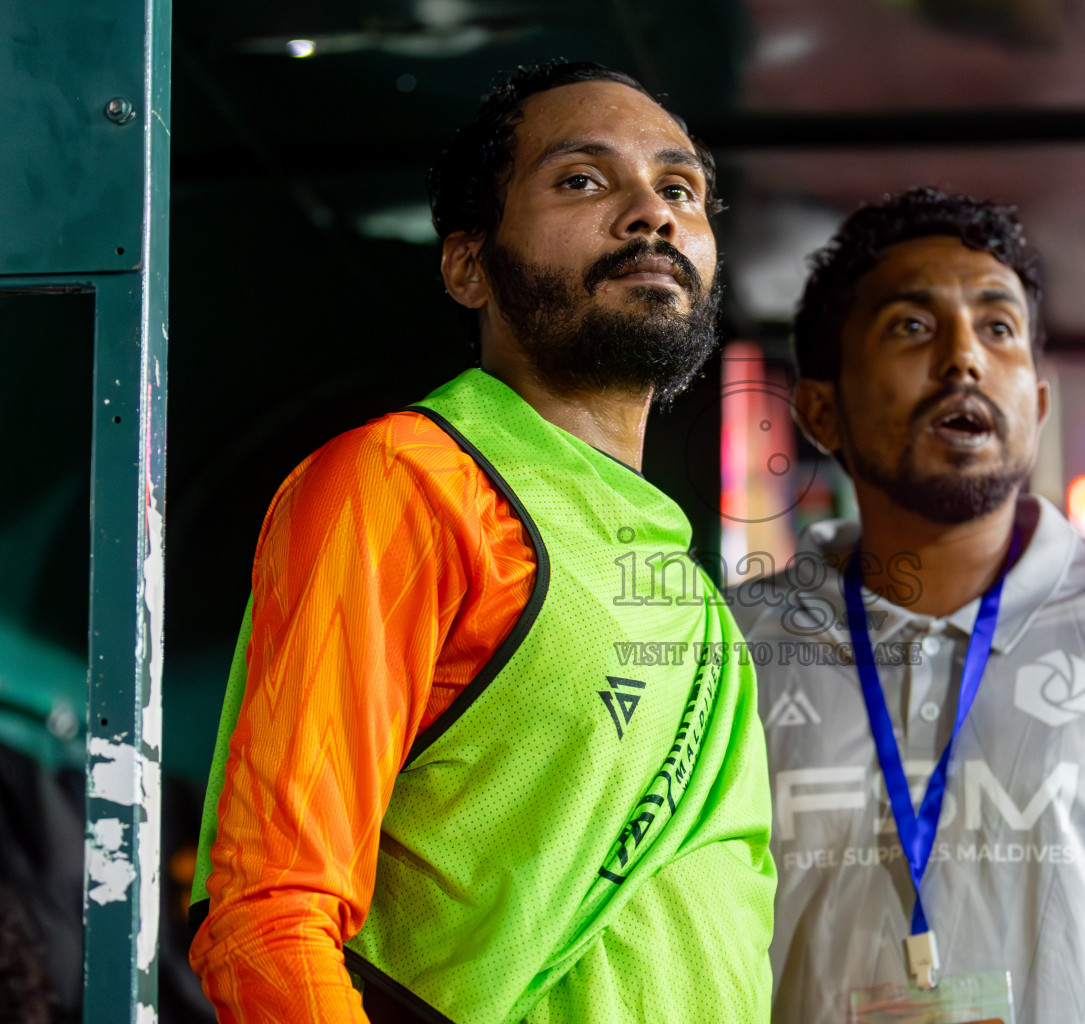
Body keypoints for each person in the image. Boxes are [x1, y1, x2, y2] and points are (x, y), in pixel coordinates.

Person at [187, 61, 775, 1024]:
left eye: (680, 190)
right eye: (583, 180)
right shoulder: (406, 485)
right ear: (469, 265)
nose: (652, 214)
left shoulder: (683, 581)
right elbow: (267, 918)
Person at [731, 188, 1085, 1024]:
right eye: (911, 326)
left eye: (998, 328)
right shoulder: (733, 643)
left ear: (1036, 406)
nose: (964, 358)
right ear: (822, 410)